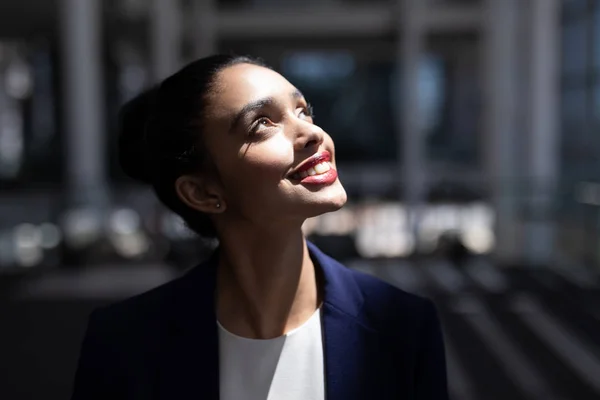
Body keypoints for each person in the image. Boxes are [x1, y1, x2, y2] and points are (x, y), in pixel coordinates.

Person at [71, 54, 448, 400]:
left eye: (303, 111)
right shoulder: (124, 344)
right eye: (263, 124)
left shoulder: (404, 327)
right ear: (202, 191)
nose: (312, 134)